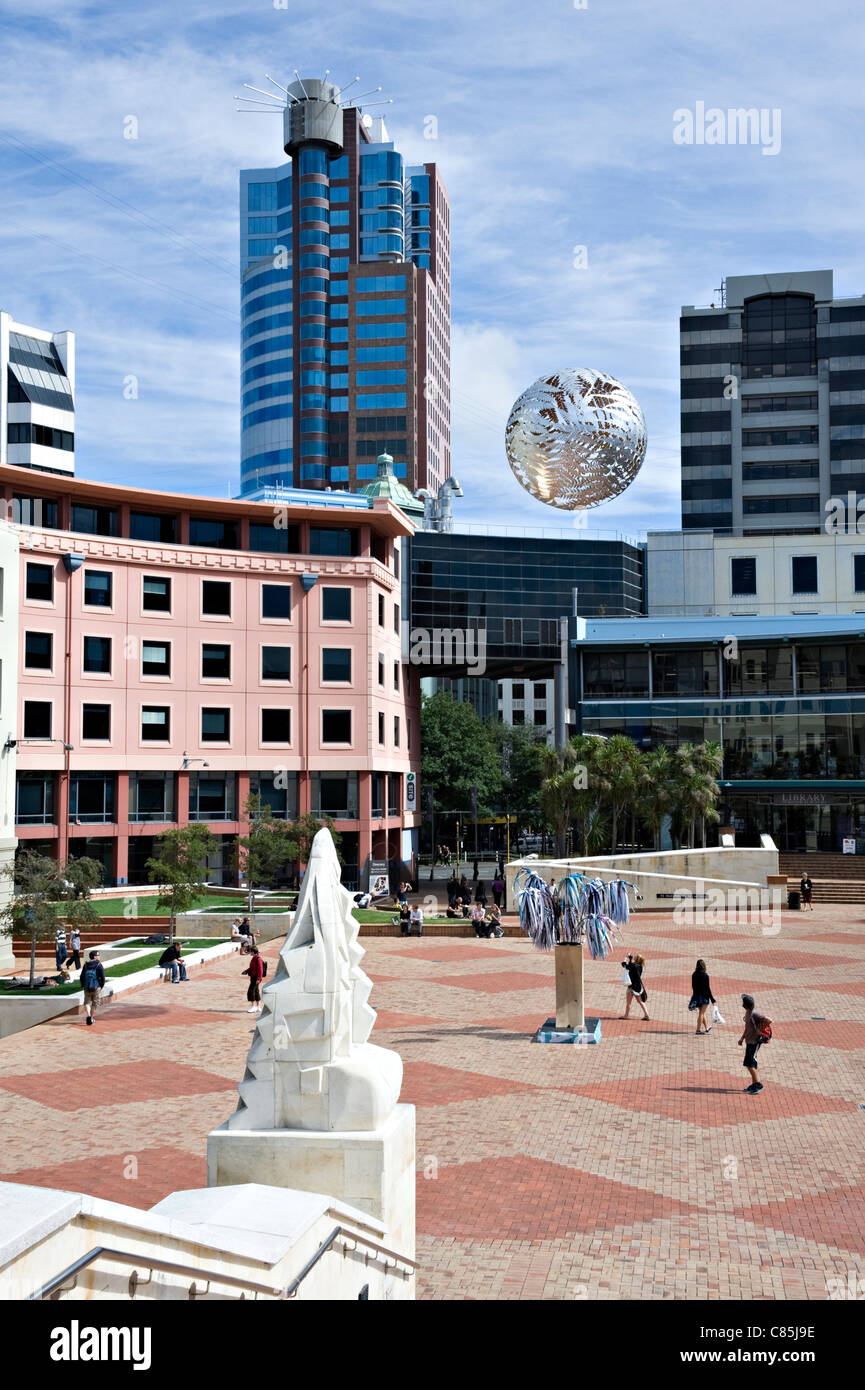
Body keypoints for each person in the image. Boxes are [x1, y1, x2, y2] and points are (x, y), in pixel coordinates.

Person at [738, 993, 772, 1094]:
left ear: (746, 1005)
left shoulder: (754, 1013)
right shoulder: (748, 1013)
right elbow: (747, 1027)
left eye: (743, 1002)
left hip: (754, 1042)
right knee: (750, 1063)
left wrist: (760, 1029)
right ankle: (754, 1084)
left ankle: (758, 1084)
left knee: (750, 1064)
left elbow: (769, 1020)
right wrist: (742, 1038)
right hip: (749, 1041)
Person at [689, 958, 717, 1035]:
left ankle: (707, 1028)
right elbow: (708, 988)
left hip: (696, 996)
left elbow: (693, 986)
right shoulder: (705, 976)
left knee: (701, 1013)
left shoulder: (694, 974)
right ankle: (698, 1030)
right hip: (704, 997)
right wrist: (712, 999)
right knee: (701, 1013)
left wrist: (694, 996)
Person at [620, 952, 650, 1020]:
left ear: (637, 959)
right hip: (638, 987)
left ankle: (626, 1015)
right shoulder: (640, 967)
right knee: (640, 1001)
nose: (635, 956)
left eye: (636, 957)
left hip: (631, 987)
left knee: (628, 1003)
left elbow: (624, 965)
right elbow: (631, 965)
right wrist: (630, 959)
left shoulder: (633, 966)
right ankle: (646, 1014)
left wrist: (625, 959)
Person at [80, 950, 105, 1026]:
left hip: (87, 986)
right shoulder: (99, 965)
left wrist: (83, 985)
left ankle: (88, 1015)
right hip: (96, 987)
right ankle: (91, 1018)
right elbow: (103, 977)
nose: (99, 956)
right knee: (94, 1003)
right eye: (98, 955)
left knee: (87, 1003)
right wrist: (101, 986)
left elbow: (82, 976)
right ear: (94, 957)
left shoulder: (86, 965)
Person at [243, 946, 265, 1014]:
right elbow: (252, 967)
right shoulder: (254, 958)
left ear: (253, 952)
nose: (249, 953)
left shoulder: (258, 959)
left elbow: (260, 970)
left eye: (250, 951)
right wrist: (246, 971)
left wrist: (259, 979)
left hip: (256, 978)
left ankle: (253, 1007)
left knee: (251, 991)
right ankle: (258, 1007)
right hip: (254, 977)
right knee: (256, 991)